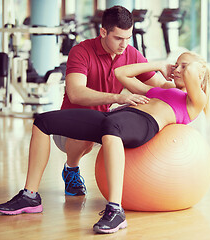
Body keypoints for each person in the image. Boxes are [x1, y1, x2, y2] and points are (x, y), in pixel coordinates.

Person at [0, 51, 210, 234]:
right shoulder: (162, 89)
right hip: (114, 117)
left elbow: (194, 76)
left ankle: (115, 210)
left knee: (112, 128)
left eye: (182, 66)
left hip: (143, 123)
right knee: (43, 121)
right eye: (176, 64)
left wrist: (194, 67)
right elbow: (121, 73)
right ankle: (30, 196)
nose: (176, 69)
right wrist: (158, 65)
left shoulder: (195, 101)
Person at [56, 5, 168, 196]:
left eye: (128, 38)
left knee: (141, 115)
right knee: (86, 135)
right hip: (69, 129)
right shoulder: (81, 51)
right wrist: (118, 97)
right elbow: (75, 93)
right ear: (103, 32)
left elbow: (158, 85)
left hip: (105, 124)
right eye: (118, 38)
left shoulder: (131, 53)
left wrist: (186, 86)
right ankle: (71, 169)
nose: (124, 45)